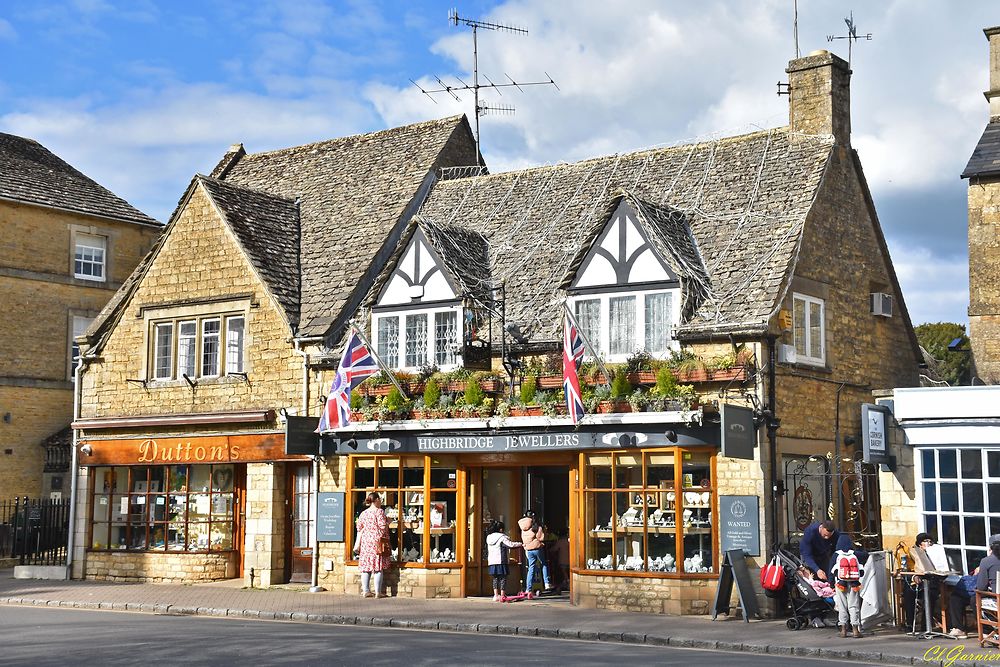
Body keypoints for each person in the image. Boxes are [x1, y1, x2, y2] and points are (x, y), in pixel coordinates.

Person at [355, 491, 390, 598]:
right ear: (376, 500)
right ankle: (378, 592)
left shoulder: (363, 513)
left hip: (366, 542)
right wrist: (388, 522)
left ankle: (366, 591)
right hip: (377, 541)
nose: (381, 501)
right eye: (380, 499)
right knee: (378, 567)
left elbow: (359, 527)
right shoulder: (379, 512)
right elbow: (383, 527)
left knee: (366, 567)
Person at [902, 533, 940, 630]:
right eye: (926, 541)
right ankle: (909, 624)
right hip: (917, 584)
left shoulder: (937, 555)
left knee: (931, 595)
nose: (929, 543)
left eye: (931, 541)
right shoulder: (912, 554)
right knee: (908, 592)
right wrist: (914, 577)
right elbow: (906, 571)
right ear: (920, 544)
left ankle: (926, 625)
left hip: (931, 584)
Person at [831, 533, 867, 638]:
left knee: (842, 606)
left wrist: (830, 584)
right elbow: (866, 555)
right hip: (854, 584)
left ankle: (843, 630)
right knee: (854, 606)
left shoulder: (836, 555)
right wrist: (860, 548)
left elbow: (830, 570)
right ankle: (855, 630)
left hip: (840, 584)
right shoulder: (855, 554)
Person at [518, 511, 554, 596]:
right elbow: (541, 537)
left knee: (531, 568)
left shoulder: (523, 527)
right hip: (537, 548)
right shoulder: (536, 526)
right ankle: (547, 583)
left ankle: (528, 588)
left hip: (528, 549)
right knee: (544, 563)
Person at [486, 520, 522, 601]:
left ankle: (495, 595)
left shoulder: (489, 538)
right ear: (501, 529)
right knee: (503, 578)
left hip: (492, 561)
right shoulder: (502, 538)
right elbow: (510, 545)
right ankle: (502, 594)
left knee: (495, 578)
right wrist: (520, 544)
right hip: (501, 560)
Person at [947, 569, 978, 639]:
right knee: (955, 598)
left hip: (980, 592)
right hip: (970, 591)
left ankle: (985, 629)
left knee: (975, 600)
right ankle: (958, 628)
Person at [549, 528, 571, 593]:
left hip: (562, 560)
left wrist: (549, 549)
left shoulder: (560, 541)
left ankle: (567, 582)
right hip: (570, 560)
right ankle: (567, 582)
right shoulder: (569, 541)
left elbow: (554, 549)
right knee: (567, 572)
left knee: (563, 572)